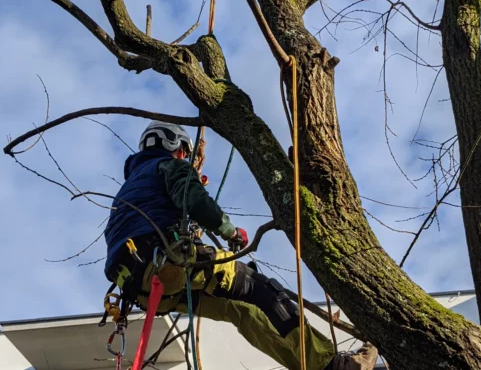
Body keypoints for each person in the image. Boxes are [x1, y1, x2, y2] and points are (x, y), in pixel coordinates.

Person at [103, 120, 378, 370]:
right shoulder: (168, 165)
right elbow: (194, 200)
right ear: (174, 146)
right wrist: (230, 231)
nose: (185, 157)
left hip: (137, 285)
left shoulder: (129, 190)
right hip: (164, 261)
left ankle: (310, 366)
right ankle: (334, 366)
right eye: (183, 152)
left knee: (241, 310)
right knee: (264, 290)